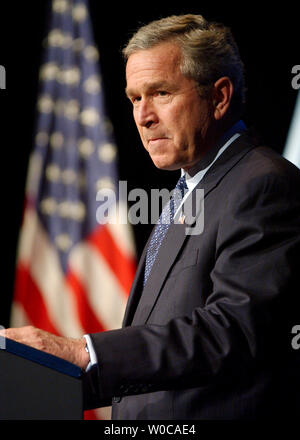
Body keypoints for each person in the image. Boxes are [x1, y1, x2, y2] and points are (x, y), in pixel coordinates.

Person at [2, 14, 300, 420]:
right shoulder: (191, 190)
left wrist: (82, 349)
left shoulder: (264, 185)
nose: (143, 116)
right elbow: (157, 360)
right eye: (134, 98)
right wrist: (38, 378)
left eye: (160, 93)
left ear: (220, 97)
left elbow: (231, 331)